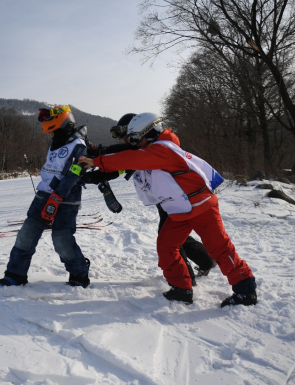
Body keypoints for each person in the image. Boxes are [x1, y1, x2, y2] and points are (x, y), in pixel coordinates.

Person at [80, 112, 257, 307]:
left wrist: (96, 161)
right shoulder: (152, 149)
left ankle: (245, 291)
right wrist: (96, 171)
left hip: (201, 206)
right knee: (166, 245)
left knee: (220, 248)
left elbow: (131, 159)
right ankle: (181, 289)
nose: (133, 142)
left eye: (136, 138)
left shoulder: (163, 150)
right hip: (179, 209)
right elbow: (128, 159)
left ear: (150, 132)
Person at [83, 114, 217, 283]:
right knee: (172, 236)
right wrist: (91, 177)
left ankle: (186, 278)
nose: (125, 141)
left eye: (126, 137)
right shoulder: (138, 149)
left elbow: (125, 154)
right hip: (166, 199)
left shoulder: (151, 148)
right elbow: (120, 167)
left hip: (178, 198)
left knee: (169, 239)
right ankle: (204, 260)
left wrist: (98, 153)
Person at [0, 105, 91, 288]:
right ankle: (15, 274)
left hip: (67, 199)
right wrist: (49, 195)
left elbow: (75, 172)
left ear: (63, 126)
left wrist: (58, 196)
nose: (51, 135)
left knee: (61, 240)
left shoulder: (78, 146)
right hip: (43, 195)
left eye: (53, 131)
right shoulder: (57, 142)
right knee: (26, 235)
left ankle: (79, 274)